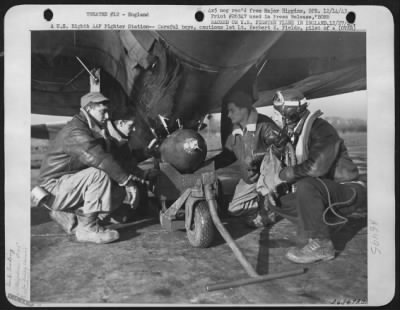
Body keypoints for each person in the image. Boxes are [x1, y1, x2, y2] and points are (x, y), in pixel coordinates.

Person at [256, 89, 367, 263]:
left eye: (279, 112)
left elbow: (316, 169)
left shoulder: (321, 129)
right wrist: (277, 187)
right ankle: (324, 226)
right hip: (327, 193)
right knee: (277, 200)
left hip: (349, 191)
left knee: (306, 185)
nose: (277, 118)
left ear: (290, 113)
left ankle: (322, 243)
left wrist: (286, 174)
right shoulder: (297, 133)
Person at [38, 92, 154, 244]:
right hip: (52, 188)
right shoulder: (76, 131)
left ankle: (72, 215)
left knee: (116, 186)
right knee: (99, 174)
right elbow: (99, 159)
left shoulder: (93, 130)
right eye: (103, 112)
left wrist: (146, 172)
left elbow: (117, 160)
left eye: (107, 112)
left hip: (68, 184)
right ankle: (87, 228)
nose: (107, 116)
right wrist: (127, 182)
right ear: (89, 109)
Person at [208, 90, 283, 228]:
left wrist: (257, 157)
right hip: (250, 179)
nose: (228, 115)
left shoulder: (265, 126)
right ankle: (269, 202)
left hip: (267, 177)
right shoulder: (235, 131)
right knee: (234, 210)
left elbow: (282, 149)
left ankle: (269, 209)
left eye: (231, 110)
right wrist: (206, 166)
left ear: (244, 110)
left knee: (272, 163)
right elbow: (228, 156)